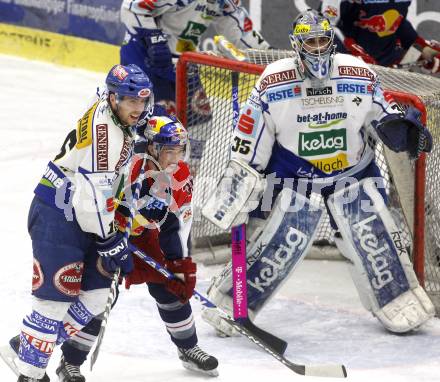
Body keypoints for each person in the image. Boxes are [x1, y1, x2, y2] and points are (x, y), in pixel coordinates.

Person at [200, 9, 435, 338]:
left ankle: (398, 295)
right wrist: (240, 188)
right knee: (285, 238)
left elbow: (382, 114)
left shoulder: (358, 72)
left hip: (353, 171)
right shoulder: (273, 81)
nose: (317, 47)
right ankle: (230, 299)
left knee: (371, 233)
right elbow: (249, 142)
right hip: (293, 174)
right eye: (310, 41)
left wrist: (398, 126)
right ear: (297, 45)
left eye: (323, 39)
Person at [0, 64, 154, 382]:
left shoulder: (113, 110)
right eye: (130, 102)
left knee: (96, 295)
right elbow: (92, 198)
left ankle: (24, 347)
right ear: (113, 99)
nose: (137, 109)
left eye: (141, 101)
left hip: (84, 212)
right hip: (60, 213)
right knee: (53, 301)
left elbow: (106, 187)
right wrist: (111, 240)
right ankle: (29, 373)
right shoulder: (107, 137)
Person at [55, 115, 219, 382]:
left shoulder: (181, 174)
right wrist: (113, 236)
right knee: (100, 294)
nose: (176, 158)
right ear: (153, 147)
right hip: (108, 235)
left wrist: (178, 264)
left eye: (180, 151)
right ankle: (70, 361)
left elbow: (179, 223)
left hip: (147, 236)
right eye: (169, 151)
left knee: (170, 286)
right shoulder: (127, 165)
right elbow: (96, 207)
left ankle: (188, 348)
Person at [119, 0, 270, 115]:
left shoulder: (226, 2)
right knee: (150, 124)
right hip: (143, 57)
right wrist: (154, 39)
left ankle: (184, 158)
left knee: (200, 125)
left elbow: (240, 34)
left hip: (184, 61)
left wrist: (270, 55)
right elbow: (131, 8)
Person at [320, 0, 440, 73]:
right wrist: (352, 53)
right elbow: (324, 26)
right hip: (349, 67)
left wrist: (421, 47)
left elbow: (397, 21)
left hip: (387, 67)